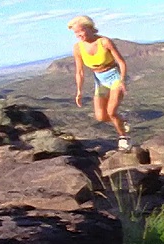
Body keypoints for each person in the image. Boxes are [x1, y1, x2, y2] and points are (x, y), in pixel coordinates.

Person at [68, 15, 133, 152]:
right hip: (100, 81)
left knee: (111, 111)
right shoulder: (78, 48)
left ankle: (123, 138)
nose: (78, 35)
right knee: (101, 116)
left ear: (90, 28)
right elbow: (79, 72)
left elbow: (121, 62)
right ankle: (122, 119)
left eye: (80, 31)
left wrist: (122, 80)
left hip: (114, 77)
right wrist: (79, 91)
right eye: (75, 33)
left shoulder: (104, 42)